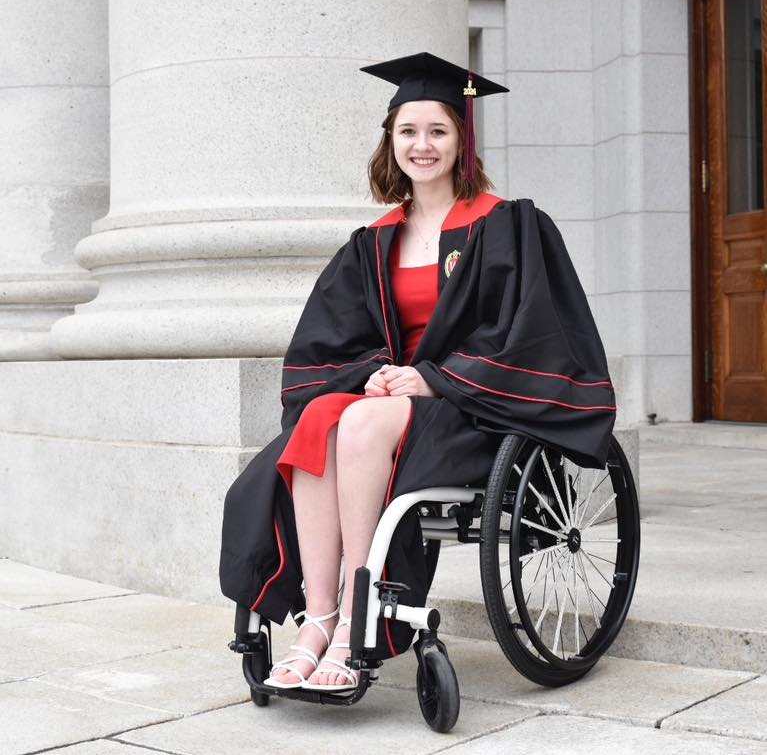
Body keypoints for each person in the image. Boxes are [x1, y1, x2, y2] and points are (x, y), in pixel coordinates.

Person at [219, 52, 617, 693]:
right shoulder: (373, 239)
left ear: (462, 139)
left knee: (360, 424)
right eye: (408, 131)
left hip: (476, 409)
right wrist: (374, 372)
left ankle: (358, 615)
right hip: (394, 403)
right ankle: (319, 619)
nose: (422, 145)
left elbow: (531, 332)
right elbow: (330, 340)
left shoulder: (507, 225)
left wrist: (435, 378)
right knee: (323, 414)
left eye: (437, 130)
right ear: (391, 141)